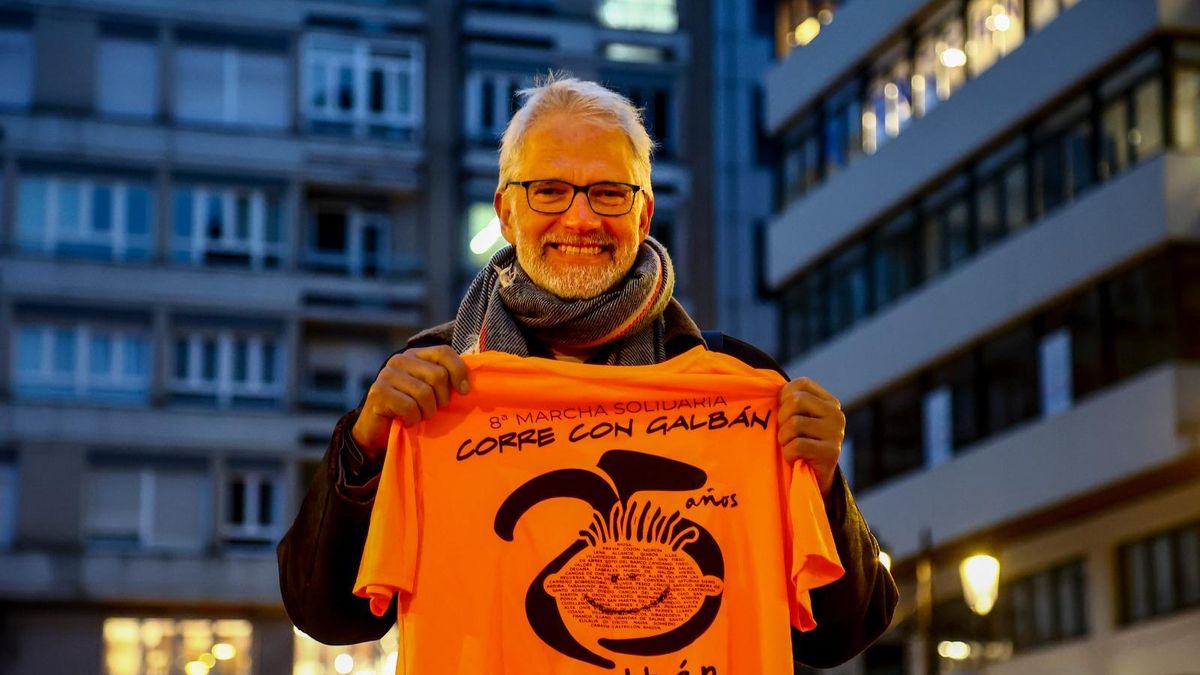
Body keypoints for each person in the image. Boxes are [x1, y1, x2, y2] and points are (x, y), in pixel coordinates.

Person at [277, 75, 897, 669]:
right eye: (548, 190)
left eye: (609, 193)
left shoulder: (735, 383)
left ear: (644, 213)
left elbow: (846, 632)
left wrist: (820, 486)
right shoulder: (433, 384)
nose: (579, 219)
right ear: (505, 211)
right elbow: (329, 616)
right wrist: (365, 449)